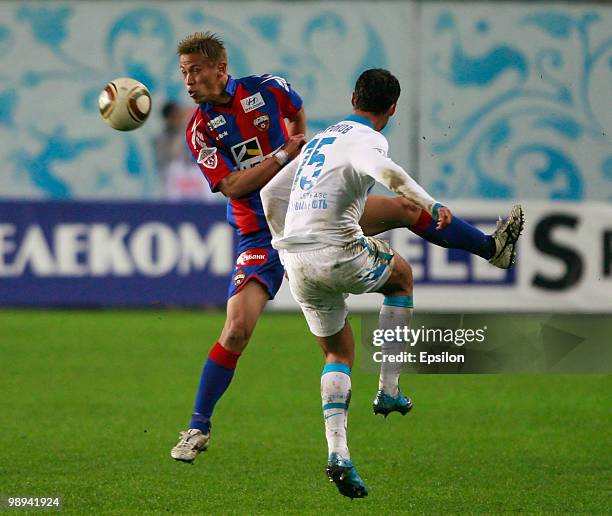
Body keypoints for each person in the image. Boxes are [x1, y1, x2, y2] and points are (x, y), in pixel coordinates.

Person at [170, 32, 524, 465]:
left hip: (308, 209)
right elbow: (231, 186)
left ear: (220, 69)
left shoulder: (266, 89)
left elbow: (296, 109)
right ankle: (197, 427)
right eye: (184, 72)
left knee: (405, 210)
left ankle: (492, 249)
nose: (188, 80)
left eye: (195, 70)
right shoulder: (199, 129)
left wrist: (299, 159)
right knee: (236, 330)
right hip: (259, 234)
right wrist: (284, 157)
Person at [260, 69, 523, 498]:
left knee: (337, 351)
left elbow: (271, 195)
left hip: (295, 257)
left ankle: (339, 453)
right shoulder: (368, 140)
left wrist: (283, 248)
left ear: (352, 97)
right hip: (335, 249)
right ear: (393, 109)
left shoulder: (324, 138)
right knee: (401, 276)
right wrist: (431, 201)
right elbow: (385, 170)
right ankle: (389, 389)